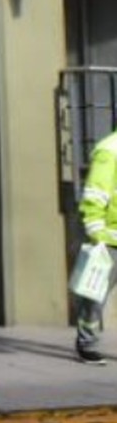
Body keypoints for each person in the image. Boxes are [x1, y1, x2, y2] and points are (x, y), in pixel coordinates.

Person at [76, 127, 117, 364]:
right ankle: (86, 343)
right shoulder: (109, 150)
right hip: (109, 239)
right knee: (95, 296)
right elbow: (95, 192)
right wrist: (95, 230)